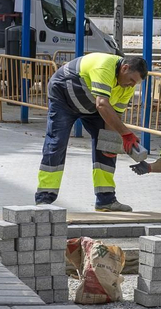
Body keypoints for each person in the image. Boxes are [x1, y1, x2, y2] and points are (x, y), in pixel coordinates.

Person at [36, 53, 148, 211]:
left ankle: (106, 199)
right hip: (64, 97)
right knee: (57, 143)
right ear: (124, 68)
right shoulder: (104, 66)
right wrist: (126, 134)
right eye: (131, 80)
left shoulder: (127, 87)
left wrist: (110, 142)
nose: (131, 85)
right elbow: (102, 104)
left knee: (108, 146)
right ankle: (44, 198)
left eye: (135, 83)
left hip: (92, 106)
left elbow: (114, 116)